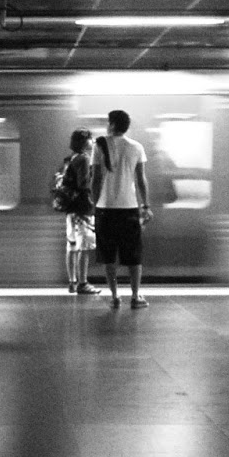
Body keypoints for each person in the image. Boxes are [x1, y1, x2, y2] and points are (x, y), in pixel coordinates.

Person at [89, 108, 151, 309]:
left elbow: (95, 179)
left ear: (113, 124)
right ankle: (135, 296)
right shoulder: (136, 147)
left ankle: (115, 296)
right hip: (129, 208)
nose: (107, 126)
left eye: (108, 122)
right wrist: (146, 205)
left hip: (105, 209)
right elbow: (141, 180)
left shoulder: (99, 145)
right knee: (134, 256)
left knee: (109, 257)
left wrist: (95, 205)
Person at [60, 128, 100, 294]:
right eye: (90, 139)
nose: (93, 141)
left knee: (72, 245)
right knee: (85, 246)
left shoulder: (70, 158)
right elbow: (83, 184)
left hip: (71, 209)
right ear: (84, 142)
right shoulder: (84, 158)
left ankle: (72, 282)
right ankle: (83, 283)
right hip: (82, 209)